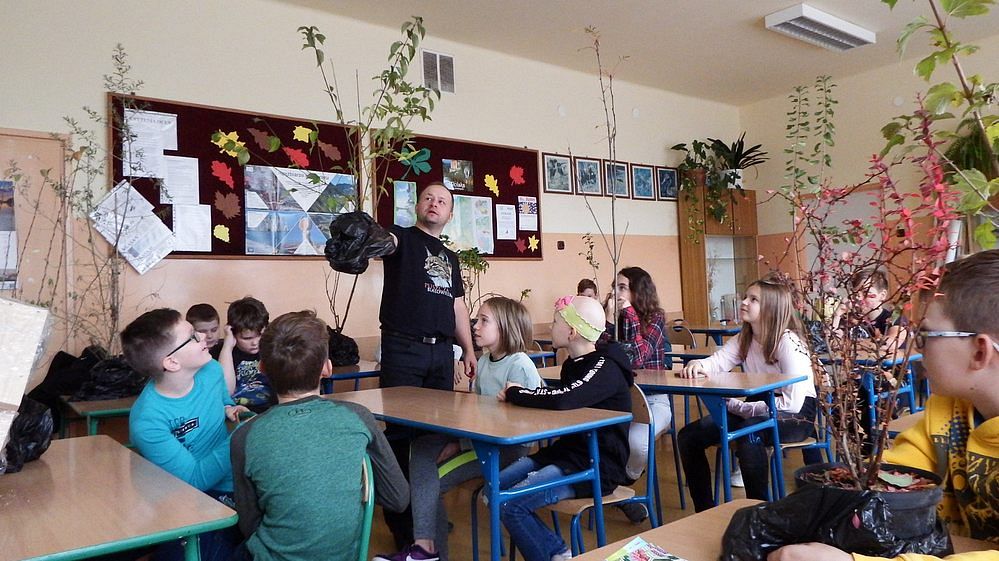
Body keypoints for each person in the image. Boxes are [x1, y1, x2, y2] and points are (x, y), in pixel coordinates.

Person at [769, 250, 999, 560]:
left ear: (979, 352)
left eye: (923, 335)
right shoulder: (948, 410)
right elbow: (888, 476)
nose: (915, 347)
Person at [230, 311, 409, 561]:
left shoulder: (244, 436)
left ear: (262, 368)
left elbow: (249, 524)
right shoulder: (358, 417)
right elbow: (398, 498)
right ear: (327, 367)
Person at [374, 296, 543, 561]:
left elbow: (519, 427)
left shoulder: (519, 365)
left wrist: (461, 444)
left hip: (504, 450)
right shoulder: (485, 362)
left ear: (506, 327)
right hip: (482, 441)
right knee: (422, 446)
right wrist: (459, 440)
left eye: (484, 321)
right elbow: (477, 413)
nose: (475, 325)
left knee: (432, 483)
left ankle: (428, 550)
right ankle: (425, 548)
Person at [495, 295, 633, 561]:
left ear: (572, 332)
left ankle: (556, 554)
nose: (550, 326)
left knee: (511, 505)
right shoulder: (572, 365)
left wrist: (518, 393)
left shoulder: (605, 367)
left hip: (597, 465)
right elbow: (562, 397)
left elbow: (564, 399)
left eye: (555, 321)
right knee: (493, 489)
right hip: (567, 455)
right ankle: (555, 551)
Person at [378, 182, 477, 547]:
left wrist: (468, 350)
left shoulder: (450, 257)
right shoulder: (401, 239)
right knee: (401, 437)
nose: (434, 204)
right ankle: (404, 527)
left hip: (442, 354)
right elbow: (385, 242)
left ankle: (425, 519)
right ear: (418, 206)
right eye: (428, 198)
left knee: (433, 438)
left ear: (450, 214)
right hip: (403, 350)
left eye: (442, 201)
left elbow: (457, 306)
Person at [677, 277, 816, 512]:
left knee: (749, 433)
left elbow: (792, 403)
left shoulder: (788, 342)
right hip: (757, 406)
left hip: (796, 413)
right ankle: (704, 510)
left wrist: (743, 408)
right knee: (688, 437)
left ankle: (758, 511)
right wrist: (698, 365)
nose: (744, 302)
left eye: (753, 300)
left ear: (771, 308)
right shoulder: (745, 338)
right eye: (745, 297)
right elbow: (717, 362)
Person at [123, 308, 248, 561]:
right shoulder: (147, 420)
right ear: (172, 362)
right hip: (186, 498)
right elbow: (193, 480)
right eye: (192, 336)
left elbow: (223, 399)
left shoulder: (211, 370)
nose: (204, 337)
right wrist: (242, 435)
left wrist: (230, 409)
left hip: (235, 485)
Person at [603, 266, 673, 523]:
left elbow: (637, 358)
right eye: (615, 287)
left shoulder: (656, 318)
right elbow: (600, 350)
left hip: (654, 399)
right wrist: (609, 322)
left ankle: (620, 486)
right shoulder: (609, 317)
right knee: (599, 440)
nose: (616, 293)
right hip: (619, 401)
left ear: (637, 291)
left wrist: (629, 314)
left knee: (637, 442)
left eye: (622, 287)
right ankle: (618, 495)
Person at [220, 296, 275, 414]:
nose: (255, 342)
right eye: (247, 338)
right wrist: (227, 347)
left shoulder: (273, 347)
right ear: (233, 333)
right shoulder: (224, 353)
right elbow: (226, 391)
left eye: (260, 335)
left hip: (271, 410)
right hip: (238, 412)